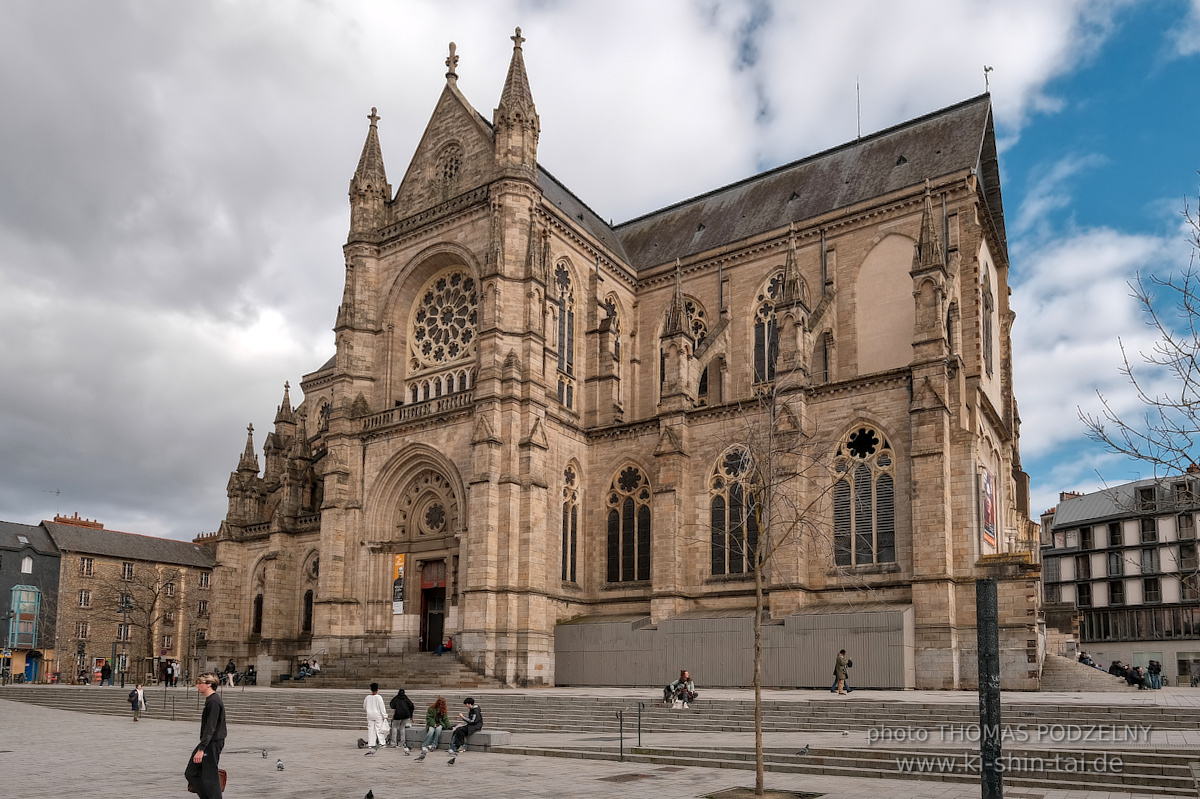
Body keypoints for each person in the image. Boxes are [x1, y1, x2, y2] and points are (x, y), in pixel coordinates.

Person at [184, 673, 226, 799]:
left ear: (209, 685)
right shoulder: (211, 701)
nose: (197, 686)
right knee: (192, 772)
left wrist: (201, 749)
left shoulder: (213, 702)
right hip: (209, 742)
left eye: (200, 683)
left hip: (212, 742)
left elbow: (211, 727)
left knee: (210, 775)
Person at [414, 697, 452, 761]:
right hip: (431, 724)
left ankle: (434, 745)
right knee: (431, 731)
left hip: (440, 724)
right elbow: (429, 718)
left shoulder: (444, 710)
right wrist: (433, 724)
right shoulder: (431, 709)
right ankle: (425, 745)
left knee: (438, 729)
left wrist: (449, 726)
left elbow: (445, 719)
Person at [447, 697, 483, 764]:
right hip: (472, 725)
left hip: (475, 726)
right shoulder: (472, 709)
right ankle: (454, 746)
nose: (466, 706)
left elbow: (473, 721)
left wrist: (462, 717)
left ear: (469, 704)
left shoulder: (475, 711)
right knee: (457, 729)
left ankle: (461, 745)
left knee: (460, 730)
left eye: (466, 704)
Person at [362, 682, 389, 754]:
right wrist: (385, 716)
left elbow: (364, 706)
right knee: (379, 729)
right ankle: (382, 743)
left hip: (370, 715)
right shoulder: (379, 697)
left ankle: (371, 743)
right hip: (378, 715)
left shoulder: (367, 697)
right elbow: (382, 707)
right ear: (377, 689)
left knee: (371, 729)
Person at [388, 687, 415, 753]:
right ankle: (401, 743)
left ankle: (393, 743)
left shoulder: (396, 698)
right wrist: (411, 715)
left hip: (398, 715)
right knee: (402, 728)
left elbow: (392, 705)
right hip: (406, 715)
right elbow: (412, 706)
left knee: (394, 727)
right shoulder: (406, 698)